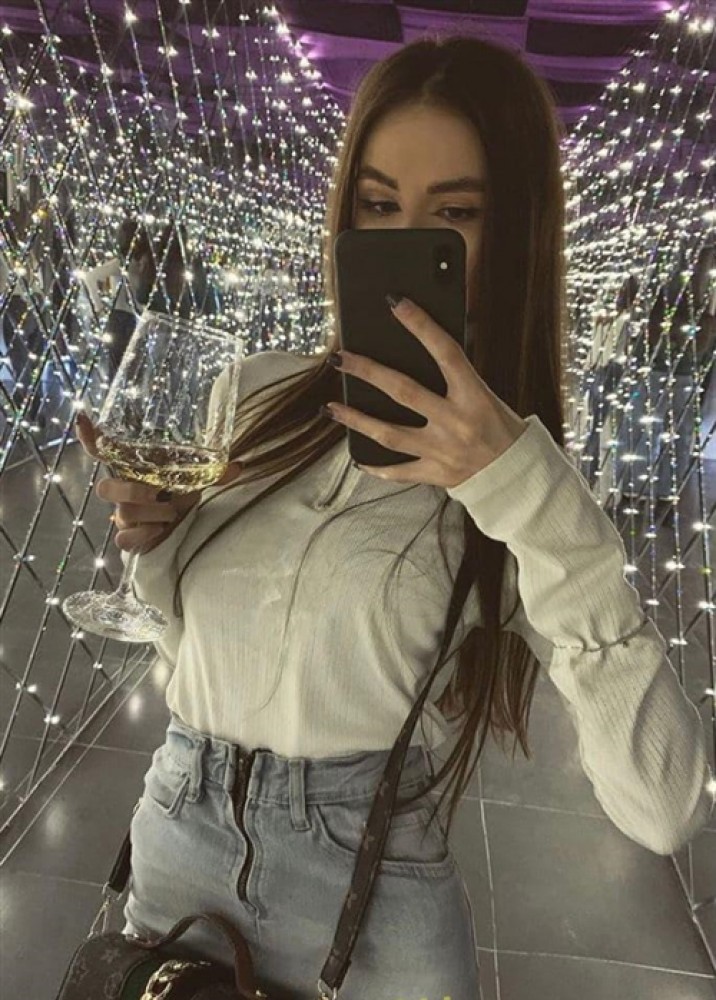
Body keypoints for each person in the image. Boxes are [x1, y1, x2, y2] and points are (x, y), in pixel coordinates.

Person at [74, 35, 714, 999]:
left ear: (515, 236)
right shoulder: (250, 392)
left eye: (454, 214)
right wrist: (158, 549)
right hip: (177, 852)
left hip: (369, 909)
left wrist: (523, 491)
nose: (401, 245)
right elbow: (189, 646)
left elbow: (661, 806)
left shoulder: (523, 482)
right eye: (378, 205)